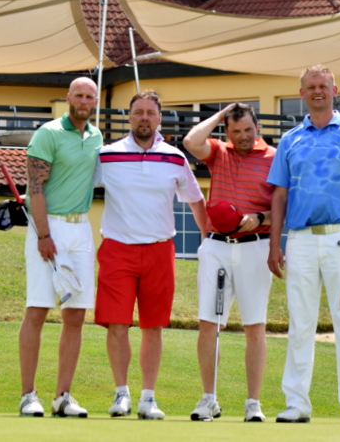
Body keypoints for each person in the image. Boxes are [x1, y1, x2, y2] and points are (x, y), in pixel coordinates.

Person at [266, 65, 340, 424]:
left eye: (323, 86)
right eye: (311, 86)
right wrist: (274, 244)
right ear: (302, 93)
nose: (317, 91)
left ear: (334, 90)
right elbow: (279, 196)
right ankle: (296, 404)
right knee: (300, 323)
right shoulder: (290, 139)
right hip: (300, 240)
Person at [93, 89, 206, 420]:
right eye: (138, 112)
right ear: (129, 116)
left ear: (159, 118)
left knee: (153, 326)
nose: (144, 118)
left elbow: (196, 200)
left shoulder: (175, 158)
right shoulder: (106, 155)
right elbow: (75, 184)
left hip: (159, 250)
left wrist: (208, 238)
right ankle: (121, 394)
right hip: (117, 249)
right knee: (117, 324)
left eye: (150, 113)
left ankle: (148, 398)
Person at [182, 102, 276, 423]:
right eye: (236, 131)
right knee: (209, 323)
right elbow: (191, 141)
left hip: (256, 246)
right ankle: (209, 398)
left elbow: (286, 206)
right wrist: (222, 114)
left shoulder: (274, 157)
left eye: (248, 129)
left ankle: (253, 403)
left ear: (257, 127)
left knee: (255, 326)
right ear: (227, 131)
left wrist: (260, 217)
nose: (244, 136)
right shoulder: (219, 152)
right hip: (217, 247)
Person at [17, 77, 103, 418]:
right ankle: (28, 395)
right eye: (78, 95)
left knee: (76, 314)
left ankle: (62, 397)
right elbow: (35, 187)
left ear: (95, 101)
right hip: (47, 227)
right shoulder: (48, 133)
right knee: (38, 309)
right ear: (68, 98)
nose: (83, 100)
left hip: (81, 229)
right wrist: (43, 235)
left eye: (89, 96)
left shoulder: (96, 138)